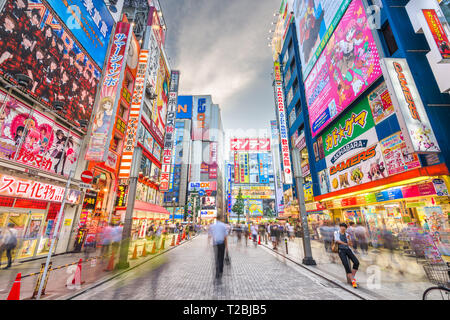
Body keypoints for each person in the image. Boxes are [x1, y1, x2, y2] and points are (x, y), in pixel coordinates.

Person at [334, 223, 359, 288]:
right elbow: (337, 241)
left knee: (356, 262)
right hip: (341, 251)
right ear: (340, 227)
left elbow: (350, 244)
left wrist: (349, 239)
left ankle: (352, 277)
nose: (343, 228)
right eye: (342, 227)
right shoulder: (336, 233)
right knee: (346, 265)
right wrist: (345, 243)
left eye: (344, 227)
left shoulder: (347, 234)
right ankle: (353, 281)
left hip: (348, 250)